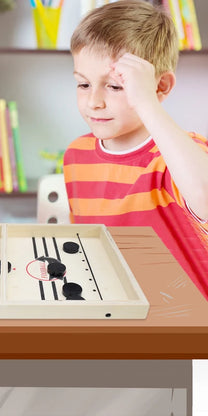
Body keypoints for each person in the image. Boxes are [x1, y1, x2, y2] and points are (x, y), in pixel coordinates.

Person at [63, 1, 208, 298]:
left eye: (115, 87)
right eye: (83, 84)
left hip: (185, 329)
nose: (94, 102)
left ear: (161, 87)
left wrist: (146, 103)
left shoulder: (180, 154)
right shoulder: (76, 155)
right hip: (117, 316)